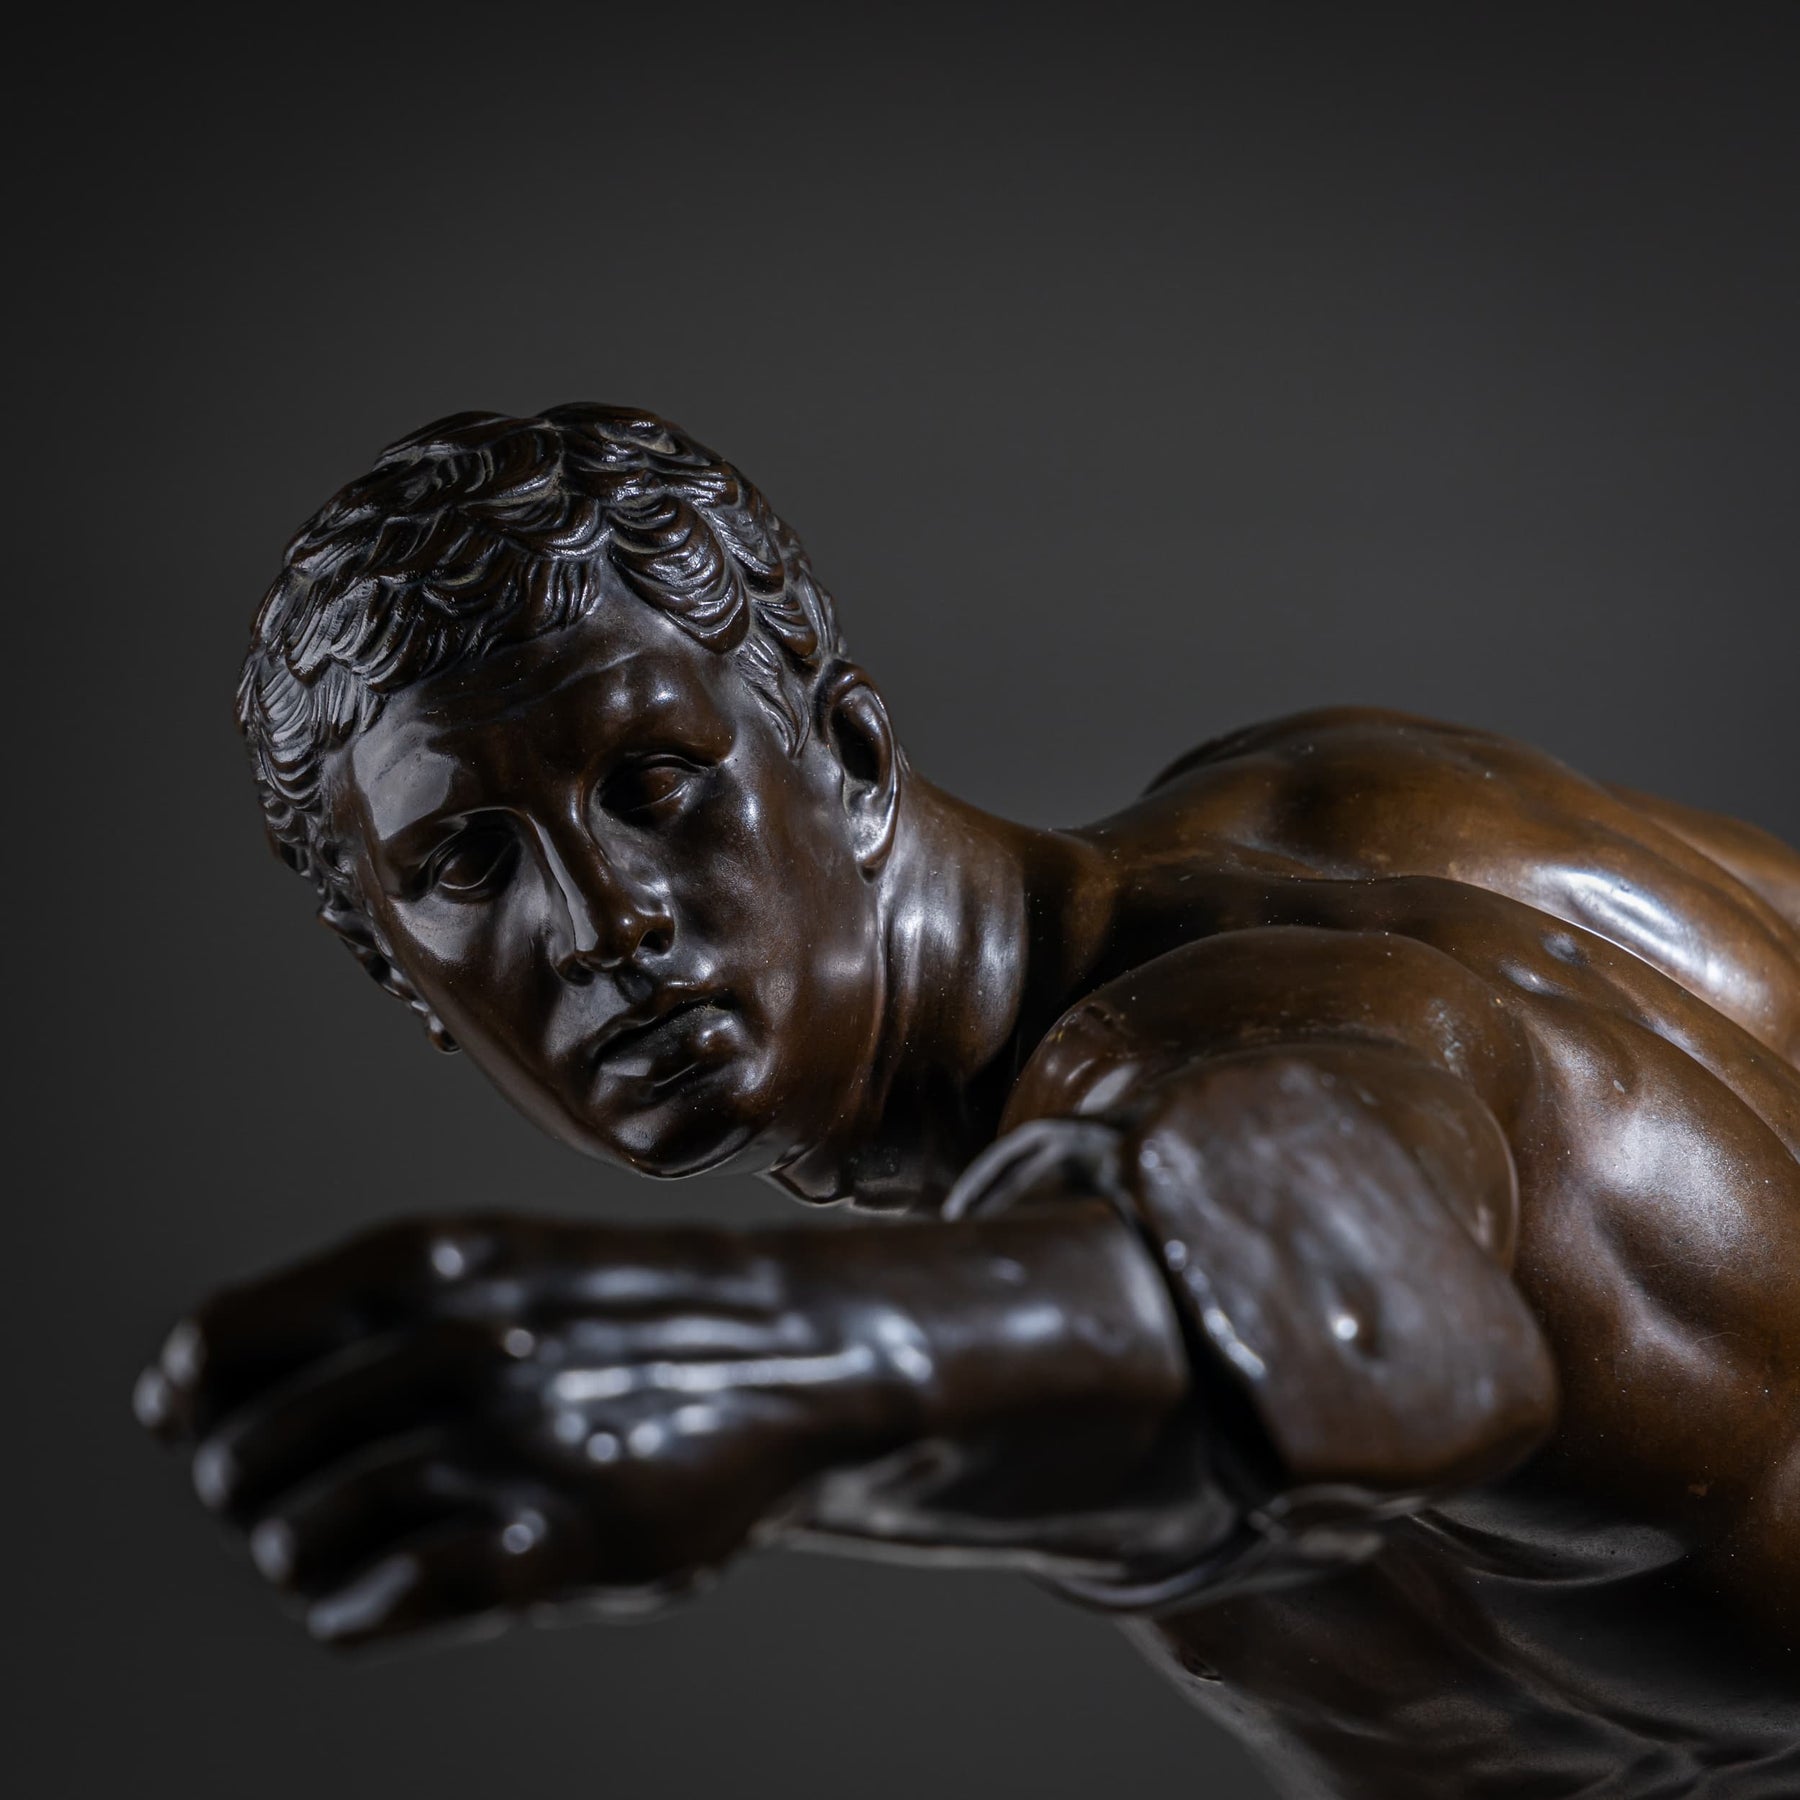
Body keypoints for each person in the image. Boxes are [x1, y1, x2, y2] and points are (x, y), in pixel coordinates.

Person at [137, 405, 1798, 1800]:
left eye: (652, 785)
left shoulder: (1261, 994)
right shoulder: (1051, 1193)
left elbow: (1381, 1302)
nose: (602, 921)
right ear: (407, 985)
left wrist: (791, 1354)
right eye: (467, 867)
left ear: (852, 758)